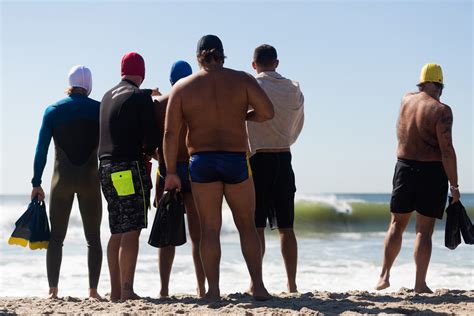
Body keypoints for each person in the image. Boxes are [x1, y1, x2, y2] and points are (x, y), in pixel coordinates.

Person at [163, 35, 274, 302]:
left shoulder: (183, 87)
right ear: (223, 56)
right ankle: (258, 286)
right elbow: (267, 112)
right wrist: (243, 115)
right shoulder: (243, 80)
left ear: (198, 57)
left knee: (210, 230)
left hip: (202, 161)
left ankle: (212, 291)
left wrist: (170, 172)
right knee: (247, 226)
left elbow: (169, 133)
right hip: (235, 159)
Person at [376, 63, 460, 293]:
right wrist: (455, 185)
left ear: (422, 83)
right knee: (423, 231)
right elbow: (447, 151)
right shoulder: (442, 111)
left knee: (396, 224)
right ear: (439, 84)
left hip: (404, 167)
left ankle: (384, 276)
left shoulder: (406, 100)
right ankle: (419, 284)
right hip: (431, 172)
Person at [30, 65, 103, 299]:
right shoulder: (99, 110)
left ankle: (53, 291)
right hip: (90, 180)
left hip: (60, 181)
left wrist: (36, 182)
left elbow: (41, 149)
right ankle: (93, 291)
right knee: (93, 238)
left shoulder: (53, 110)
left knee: (56, 239)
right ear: (88, 84)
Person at [98, 52, 158, 301]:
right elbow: (152, 135)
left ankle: (115, 291)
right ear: (141, 73)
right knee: (132, 227)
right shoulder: (138, 96)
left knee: (117, 229)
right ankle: (126, 289)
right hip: (127, 167)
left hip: (105, 168)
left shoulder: (106, 96)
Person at [247, 44, 304, 293]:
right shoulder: (294, 88)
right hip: (284, 157)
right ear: (277, 63)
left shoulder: (252, 86)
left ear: (254, 64)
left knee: (257, 225)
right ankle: (292, 284)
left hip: (258, 159)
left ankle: (256, 283)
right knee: (286, 227)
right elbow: (298, 124)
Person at [153, 60, 206, 298]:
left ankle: (164, 289)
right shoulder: (199, 101)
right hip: (194, 169)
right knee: (198, 234)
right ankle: (202, 288)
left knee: (167, 236)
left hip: (168, 170)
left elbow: (155, 144)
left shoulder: (160, 104)